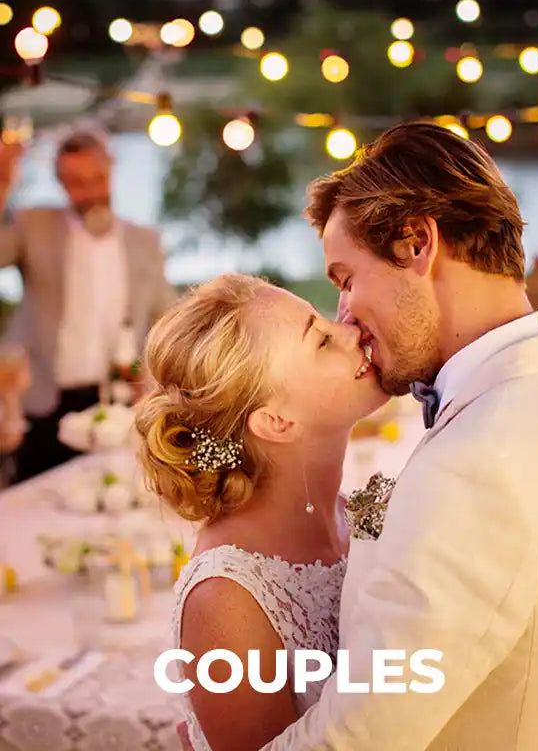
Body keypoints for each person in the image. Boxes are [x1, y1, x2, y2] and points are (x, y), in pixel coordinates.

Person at [259, 122, 538, 749]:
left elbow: (359, 738)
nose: (344, 313)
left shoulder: (480, 463)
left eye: (346, 279)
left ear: (416, 242)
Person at [135, 272, 388, 751]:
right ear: (276, 421)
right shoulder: (228, 601)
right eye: (321, 341)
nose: (353, 330)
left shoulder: (356, 517)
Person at [0, 130, 176, 481]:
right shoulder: (33, 225)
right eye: (76, 183)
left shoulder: (145, 240)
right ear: (60, 183)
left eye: (98, 178)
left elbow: (166, 318)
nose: (91, 191)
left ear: (110, 170)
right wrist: (3, 182)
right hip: (44, 401)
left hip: (118, 403)